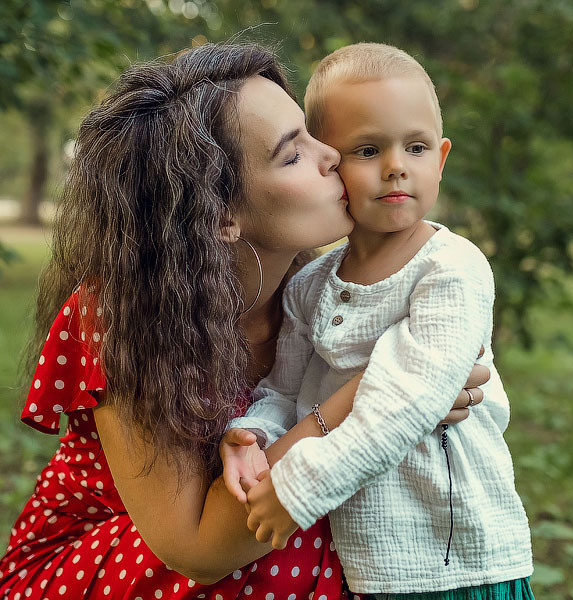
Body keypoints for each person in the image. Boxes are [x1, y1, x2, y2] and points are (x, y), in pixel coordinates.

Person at [0, 42, 488, 600]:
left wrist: (419, 387)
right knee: (291, 529)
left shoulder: (332, 293)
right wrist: (379, 389)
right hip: (120, 564)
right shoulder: (124, 317)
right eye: (292, 154)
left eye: (310, 133)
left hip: (270, 543)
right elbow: (197, 550)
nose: (331, 153)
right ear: (221, 214)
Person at [223, 43, 534, 599]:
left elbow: (409, 398)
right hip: (368, 564)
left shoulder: (451, 268)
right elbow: (283, 389)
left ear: (439, 160)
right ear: (330, 164)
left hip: (459, 560)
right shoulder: (309, 287)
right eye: (368, 149)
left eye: (414, 147)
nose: (396, 165)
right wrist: (253, 436)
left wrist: (300, 484)